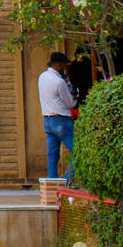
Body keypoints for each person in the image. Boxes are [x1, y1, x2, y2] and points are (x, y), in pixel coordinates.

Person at [39, 52, 77, 183]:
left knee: (53, 155)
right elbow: (70, 103)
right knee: (78, 152)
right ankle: (66, 183)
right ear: (59, 65)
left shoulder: (42, 76)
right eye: (64, 65)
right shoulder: (59, 82)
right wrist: (71, 88)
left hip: (47, 121)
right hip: (61, 120)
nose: (65, 68)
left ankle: (53, 185)